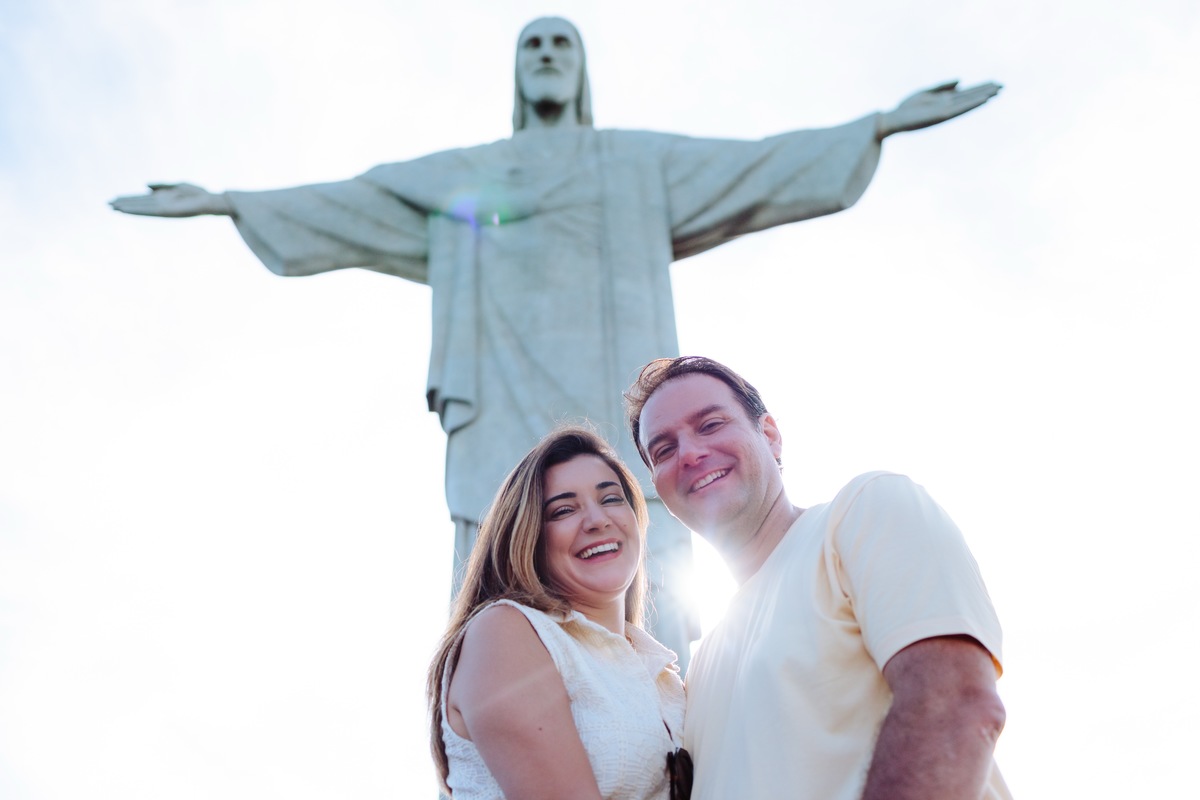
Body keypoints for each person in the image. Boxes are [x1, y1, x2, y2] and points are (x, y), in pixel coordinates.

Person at [110, 15, 1001, 665]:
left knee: (652, 606)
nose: (544, 57)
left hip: (616, 403)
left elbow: (753, 165)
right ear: (516, 72)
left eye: (559, 45)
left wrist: (872, 127)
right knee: (503, 584)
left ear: (578, 71)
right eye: (530, 44)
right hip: (503, 411)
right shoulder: (467, 176)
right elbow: (356, 201)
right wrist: (231, 203)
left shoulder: (632, 162)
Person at [625, 356, 1011, 800]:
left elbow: (956, 706)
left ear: (769, 435)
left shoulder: (866, 511)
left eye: (710, 425)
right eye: (664, 449)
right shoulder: (702, 666)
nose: (690, 453)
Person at [426, 425, 688, 800]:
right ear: (530, 536)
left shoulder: (663, 674)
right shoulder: (505, 632)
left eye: (611, 498)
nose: (597, 520)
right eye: (564, 510)